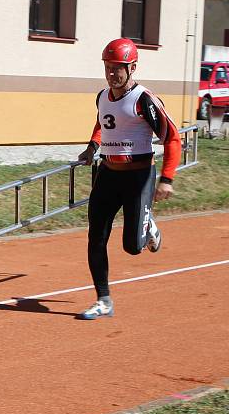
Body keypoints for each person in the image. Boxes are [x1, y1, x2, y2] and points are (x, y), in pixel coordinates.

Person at [77, 37, 181, 319]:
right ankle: (103, 300)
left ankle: (149, 229)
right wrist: (92, 148)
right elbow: (103, 123)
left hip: (139, 177)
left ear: (132, 67)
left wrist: (167, 179)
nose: (112, 73)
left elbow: (172, 139)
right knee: (96, 236)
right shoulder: (101, 96)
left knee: (132, 247)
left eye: (118, 68)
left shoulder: (144, 100)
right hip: (109, 175)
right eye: (108, 67)